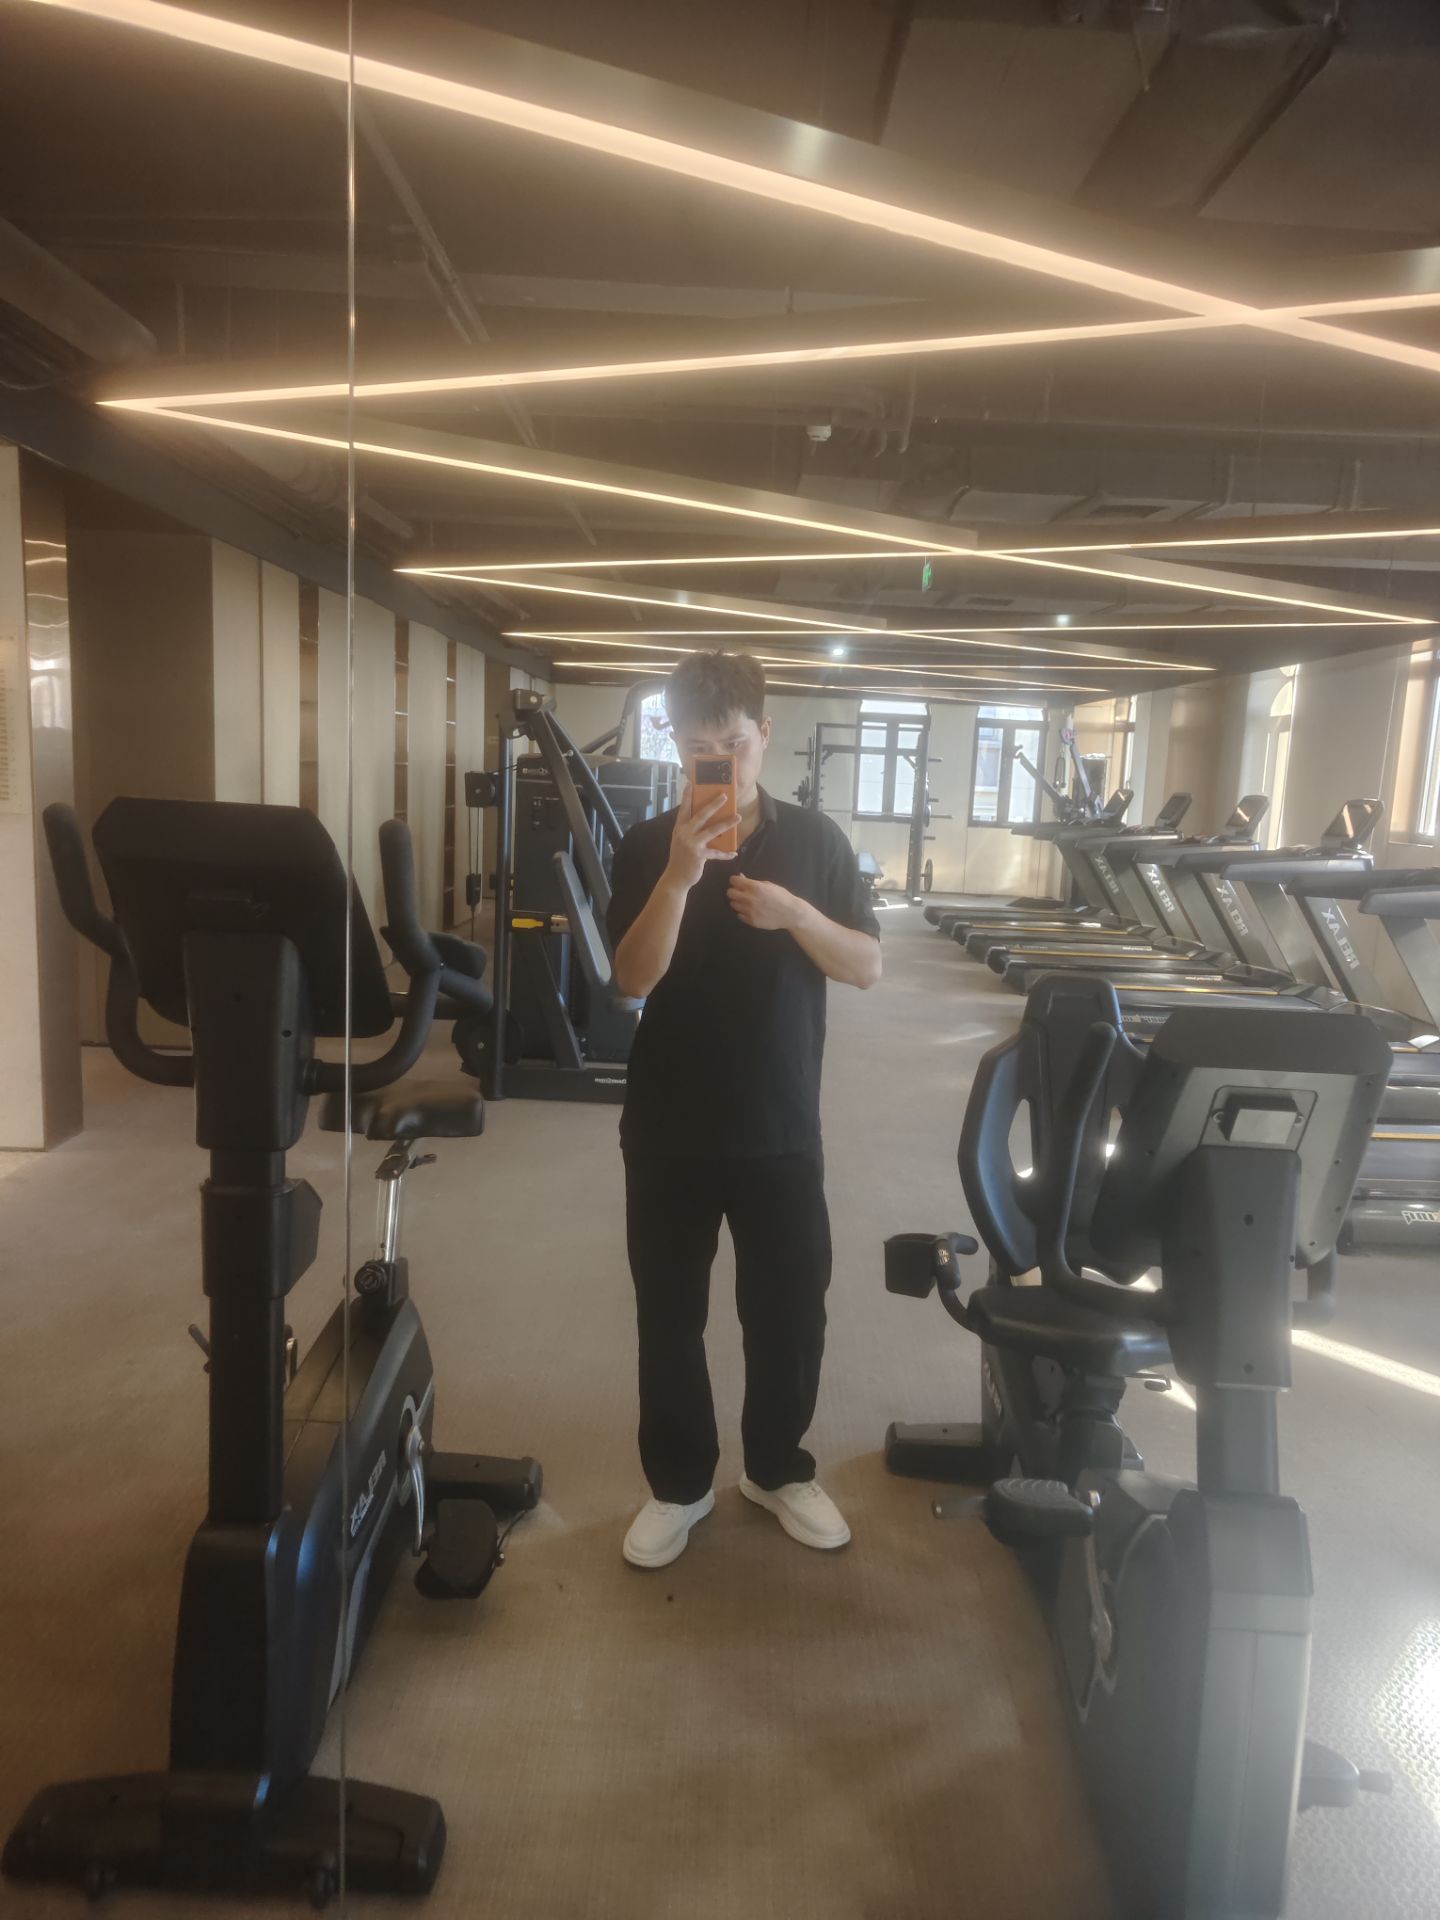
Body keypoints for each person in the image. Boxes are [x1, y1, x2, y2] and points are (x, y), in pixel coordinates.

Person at [607, 651, 882, 1569]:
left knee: (790, 1314)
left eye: (733, 743)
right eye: (698, 749)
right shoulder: (646, 844)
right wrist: (679, 877)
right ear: (676, 746)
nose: (719, 762)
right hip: (668, 1128)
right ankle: (678, 1485)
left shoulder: (818, 841)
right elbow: (630, 980)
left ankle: (776, 1469)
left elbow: (867, 965)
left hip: (779, 1124)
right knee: (668, 1318)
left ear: (764, 735)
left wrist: (796, 914)